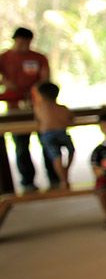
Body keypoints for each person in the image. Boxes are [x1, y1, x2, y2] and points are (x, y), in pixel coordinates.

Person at [0, 26, 51, 191]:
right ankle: (27, 181)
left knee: (47, 141)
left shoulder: (38, 58)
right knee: (21, 145)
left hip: (38, 106)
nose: (24, 46)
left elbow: (45, 79)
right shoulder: (4, 58)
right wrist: (6, 83)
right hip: (14, 107)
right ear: (15, 40)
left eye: (27, 43)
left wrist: (37, 91)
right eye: (21, 43)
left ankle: (54, 177)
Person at [32, 81, 74, 190]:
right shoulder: (62, 108)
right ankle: (65, 173)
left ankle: (63, 178)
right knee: (69, 152)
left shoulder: (39, 108)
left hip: (48, 135)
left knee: (56, 157)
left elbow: (38, 121)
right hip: (62, 133)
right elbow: (70, 119)